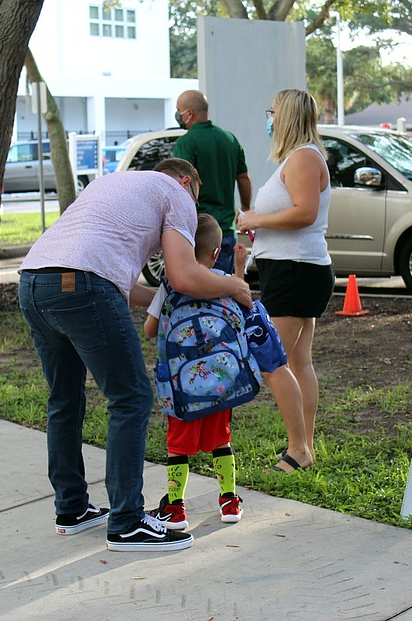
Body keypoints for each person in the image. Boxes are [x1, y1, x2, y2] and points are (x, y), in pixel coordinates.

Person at [18, 158, 252, 552]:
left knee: (65, 398)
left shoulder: (114, 185)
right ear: (185, 181)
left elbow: (131, 290)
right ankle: (127, 522)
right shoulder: (176, 193)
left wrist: (167, 301)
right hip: (84, 284)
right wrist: (233, 285)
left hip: (35, 282)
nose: (190, 216)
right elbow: (183, 275)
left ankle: (72, 507)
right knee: (132, 398)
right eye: (194, 198)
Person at [237, 89, 333, 473]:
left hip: (297, 272)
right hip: (294, 268)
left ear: (287, 116)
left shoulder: (304, 158)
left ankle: (298, 450)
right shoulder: (296, 158)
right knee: (297, 361)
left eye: (272, 111)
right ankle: (304, 446)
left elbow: (305, 213)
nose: (269, 118)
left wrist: (255, 219)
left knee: (271, 361)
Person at [143, 214, 247, 530]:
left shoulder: (170, 283)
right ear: (216, 253)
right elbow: (243, 316)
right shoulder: (224, 280)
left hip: (180, 387)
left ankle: (176, 508)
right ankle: (229, 501)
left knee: (178, 446)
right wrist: (239, 270)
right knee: (221, 441)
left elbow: (150, 329)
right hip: (220, 383)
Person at [173, 89, 252, 274]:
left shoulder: (186, 143)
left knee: (198, 295)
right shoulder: (230, 139)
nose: (177, 115)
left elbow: (180, 186)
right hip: (226, 231)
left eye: (179, 110)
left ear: (189, 113)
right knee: (221, 293)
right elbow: (244, 178)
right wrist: (246, 208)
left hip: (199, 232)